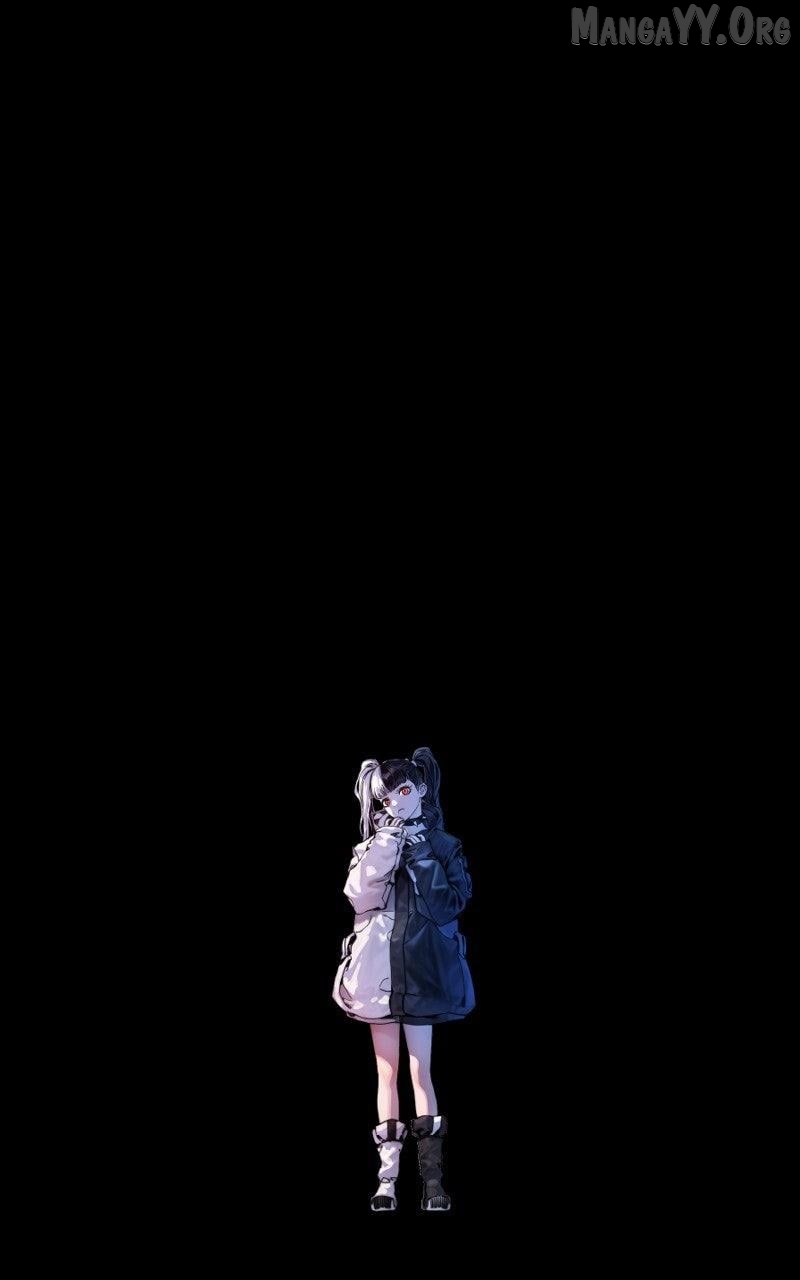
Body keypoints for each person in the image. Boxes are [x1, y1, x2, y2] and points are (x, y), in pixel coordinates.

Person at [333, 748, 475, 1211]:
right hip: (378, 973)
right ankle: (387, 1180)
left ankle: (432, 1182)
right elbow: (358, 898)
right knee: (387, 1072)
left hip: (423, 972)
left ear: (422, 790)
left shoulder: (443, 845)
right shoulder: (372, 845)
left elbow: (449, 905)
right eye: (385, 797)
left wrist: (419, 853)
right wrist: (387, 846)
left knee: (420, 1070)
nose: (394, 802)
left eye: (404, 791)